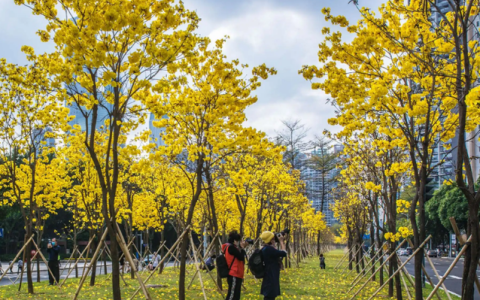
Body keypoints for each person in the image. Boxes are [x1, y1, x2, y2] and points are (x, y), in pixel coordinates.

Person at [260, 231, 287, 300]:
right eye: (273, 239)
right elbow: (284, 253)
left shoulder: (266, 248)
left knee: (270, 295)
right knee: (270, 295)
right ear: (270, 240)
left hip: (269, 273)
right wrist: (281, 241)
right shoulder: (269, 249)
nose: (274, 240)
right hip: (271, 275)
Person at [222, 230, 247, 300]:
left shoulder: (232, 247)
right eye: (239, 241)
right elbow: (241, 257)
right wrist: (242, 248)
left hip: (236, 274)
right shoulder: (231, 248)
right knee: (232, 295)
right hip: (234, 274)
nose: (240, 242)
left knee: (236, 295)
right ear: (235, 241)